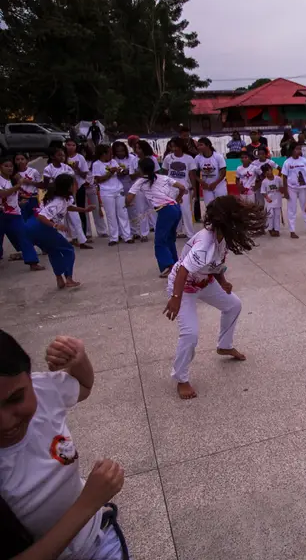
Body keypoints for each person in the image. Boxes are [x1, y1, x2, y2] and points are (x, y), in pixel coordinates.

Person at [0, 331, 129, 560]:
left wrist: (79, 361)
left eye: (15, 398)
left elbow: (84, 386)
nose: (6, 422)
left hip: (100, 537)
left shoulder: (44, 390)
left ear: (31, 378)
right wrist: (89, 503)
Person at [163, 196, 266, 399]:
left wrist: (223, 282)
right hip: (184, 287)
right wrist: (176, 297)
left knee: (233, 305)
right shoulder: (204, 243)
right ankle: (181, 378)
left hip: (206, 282)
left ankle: (224, 346)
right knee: (190, 334)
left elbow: (215, 264)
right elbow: (183, 270)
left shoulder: (222, 236)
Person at [25, 174, 92, 289]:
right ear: (68, 187)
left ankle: (59, 279)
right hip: (40, 227)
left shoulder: (60, 199)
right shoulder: (58, 201)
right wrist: (55, 225)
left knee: (53, 251)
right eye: (74, 184)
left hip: (32, 228)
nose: (76, 186)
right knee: (68, 250)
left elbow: (68, 207)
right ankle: (69, 279)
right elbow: (42, 216)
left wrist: (84, 210)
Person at [126, 157, 187, 277]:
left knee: (160, 241)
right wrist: (179, 198)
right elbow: (182, 187)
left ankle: (169, 267)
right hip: (175, 208)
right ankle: (175, 265)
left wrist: (127, 204)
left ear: (141, 169)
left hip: (165, 210)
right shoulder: (163, 177)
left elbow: (129, 197)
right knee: (169, 239)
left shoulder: (140, 181)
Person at [0, 156, 43, 271]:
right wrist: (17, 187)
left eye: (10, 166)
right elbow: (3, 194)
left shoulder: (13, 180)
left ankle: (32, 262)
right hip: (1, 214)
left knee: (24, 236)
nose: (9, 168)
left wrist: (20, 201)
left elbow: (13, 195)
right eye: (6, 166)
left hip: (15, 214)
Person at [91, 144, 132, 246]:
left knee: (123, 213)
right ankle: (114, 237)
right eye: (109, 152)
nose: (112, 154)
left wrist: (121, 171)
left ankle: (127, 236)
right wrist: (110, 173)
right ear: (103, 154)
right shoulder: (96, 164)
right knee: (111, 215)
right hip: (106, 192)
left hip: (118, 189)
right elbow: (98, 180)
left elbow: (120, 173)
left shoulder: (113, 161)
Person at [161, 138, 198, 239]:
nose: (174, 148)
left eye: (176, 146)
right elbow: (164, 173)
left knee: (186, 211)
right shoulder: (168, 158)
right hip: (171, 188)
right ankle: (175, 231)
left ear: (181, 147)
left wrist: (194, 188)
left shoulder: (189, 158)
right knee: (173, 211)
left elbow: (192, 175)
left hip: (185, 188)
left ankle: (190, 234)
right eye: (172, 146)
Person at [282, 143, 306, 238]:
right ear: (292, 150)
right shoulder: (287, 162)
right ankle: (292, 231)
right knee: (291, 210)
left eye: (300, 149)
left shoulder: (305, 161)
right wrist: (285, 191)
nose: (299, 151)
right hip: (291, 188)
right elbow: (284, 177)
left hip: (303, 188)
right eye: (297, 149)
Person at [65, 139, 92, 243]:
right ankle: (72, 235)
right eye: (68, 145)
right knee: (67, 212)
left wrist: (76, 169)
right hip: (66, 188)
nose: (71, 147)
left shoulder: (80, 157)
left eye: (73, 145)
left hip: (79, 186)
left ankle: (83, 235)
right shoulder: (63, 157)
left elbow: (85, 174)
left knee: (80, 209)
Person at [194, 137, 227, 206]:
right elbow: (193, 174)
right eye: (198, 145)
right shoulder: (197, 158)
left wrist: (215, 183)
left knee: (221, 205)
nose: (199, 147)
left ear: (208, 145)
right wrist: (202, 182)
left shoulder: (218, 156)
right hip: (206, 186)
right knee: (209, 206)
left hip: (219, 185)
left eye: (201, 145)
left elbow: (223, 173)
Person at [13, 153, 44, 221]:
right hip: (19, 200)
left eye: (22, 159)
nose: (20, 161)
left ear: (27, 160)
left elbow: (41, 185)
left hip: (33, 199)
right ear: (14, 161)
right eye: (17, 159)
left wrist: (27, 181)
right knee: (22, 219)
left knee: (34, 219)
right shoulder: (13, 173)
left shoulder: (33, 171)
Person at [260, 164, 284, 237]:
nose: (267, 172)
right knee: (270, 215)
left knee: (277, 215)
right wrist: (267, 198)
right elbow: (263, 192)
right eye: (265, 172)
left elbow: (282, 188)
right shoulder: (264, 182)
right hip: (269, 200)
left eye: (268, 170)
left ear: (271, 169)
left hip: (277, 199)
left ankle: (277, 229)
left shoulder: (278, 179)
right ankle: (270, 229)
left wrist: (282, 191)